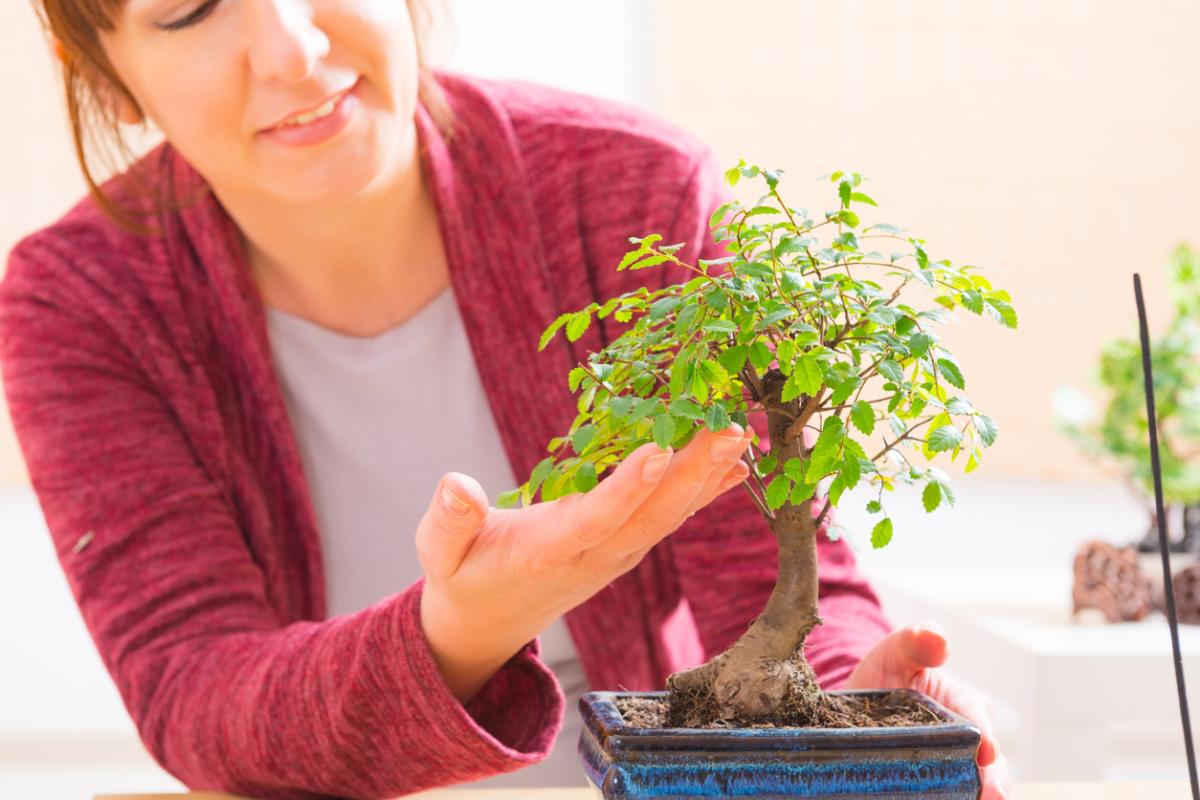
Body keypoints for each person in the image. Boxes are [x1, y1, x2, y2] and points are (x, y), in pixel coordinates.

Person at [0, 1, 1009, 798]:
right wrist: (466, 625)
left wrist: (845, 705)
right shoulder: (80, 302)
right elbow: (196, 694)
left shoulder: (638, 195)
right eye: (190, 9)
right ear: (109, 74)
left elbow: (784, 581)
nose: (293, 48)